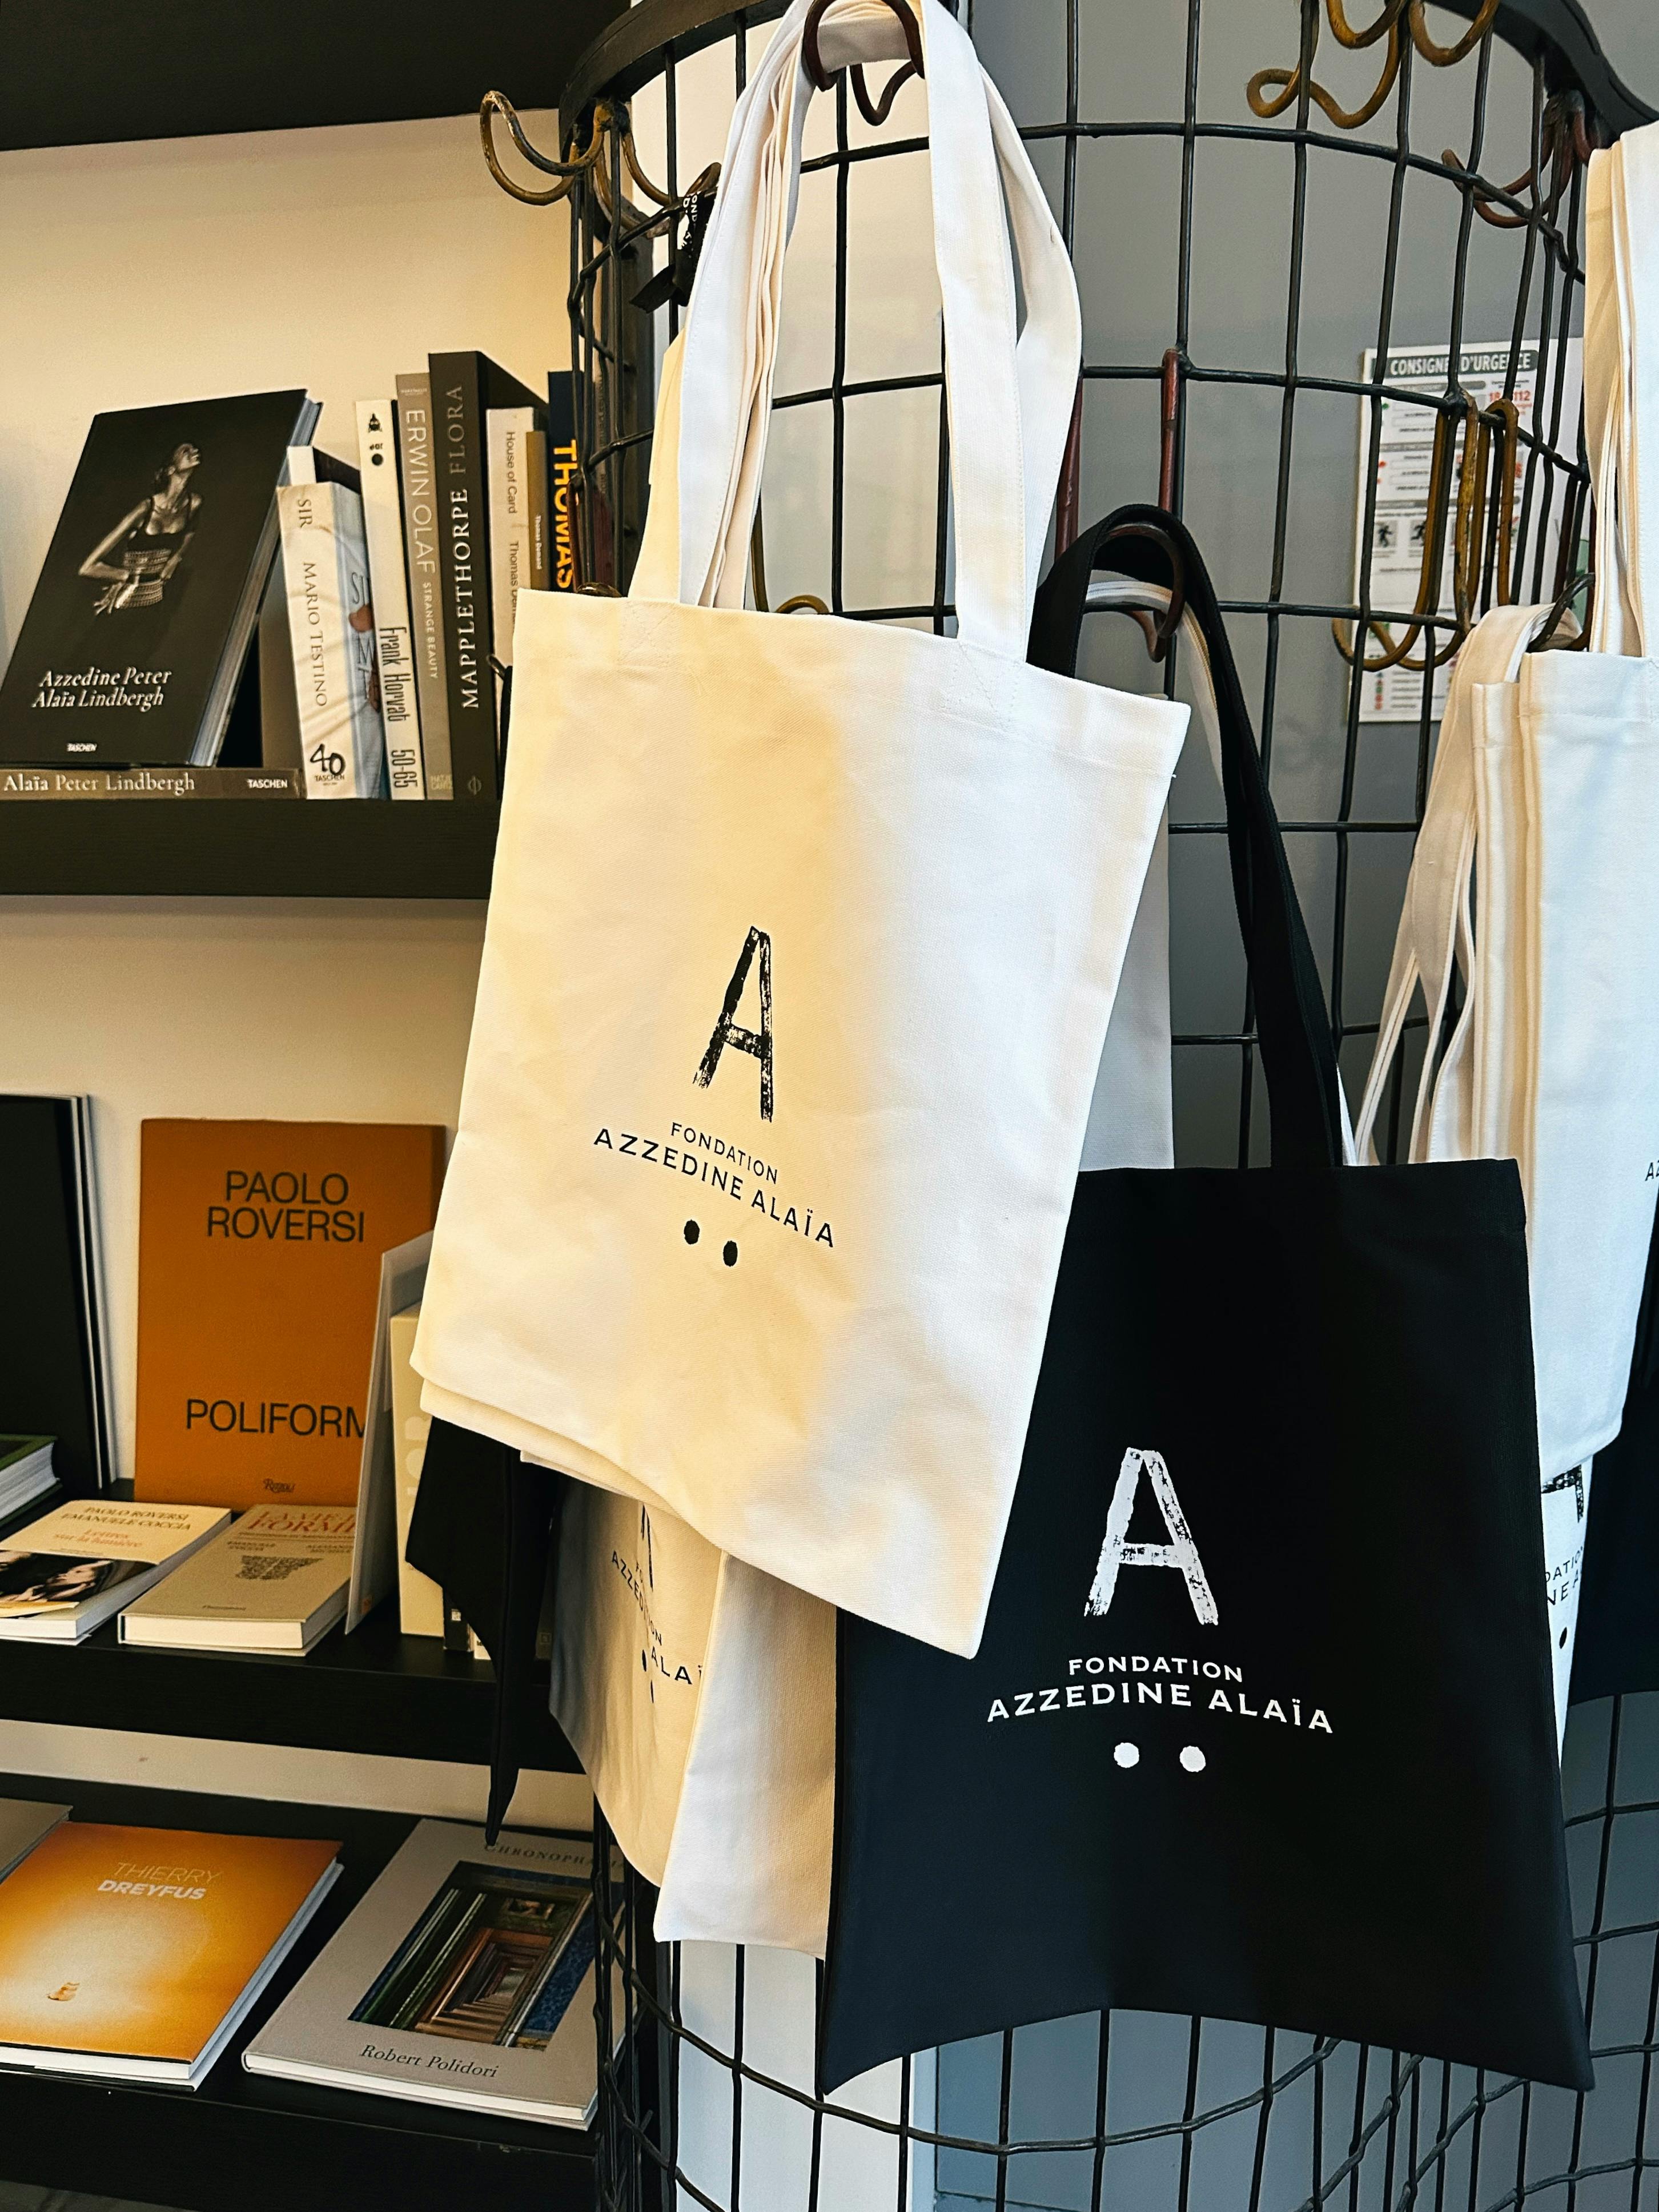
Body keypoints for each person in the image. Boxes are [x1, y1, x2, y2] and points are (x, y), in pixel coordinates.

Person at [79, 441, 202, 613]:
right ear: (171, 470)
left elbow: (190, 531)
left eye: (194, 449)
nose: (194, 451)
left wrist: (177, 558)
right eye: (185, 451)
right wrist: (123, 576)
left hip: (155, 603)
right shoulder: (145, 508)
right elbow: (87, 568)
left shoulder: (194, 504)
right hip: (124, 603)